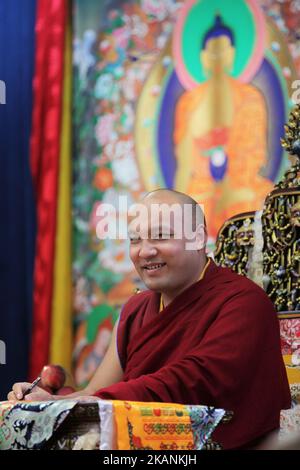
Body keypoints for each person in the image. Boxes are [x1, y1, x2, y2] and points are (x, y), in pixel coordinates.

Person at [8, 189, 290, 449]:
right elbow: (96, 392)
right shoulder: (135, 309)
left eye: (160, 237)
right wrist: (48, 403)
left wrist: (85, 402)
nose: (144, 251)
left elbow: (191, 381)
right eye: (135, 240)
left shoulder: (243, 302)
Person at [174, 15, 273, 238]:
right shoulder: (189, 103)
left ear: (233, 54)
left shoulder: (250, 97)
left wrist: (231, 187)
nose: (218, 57)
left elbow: (255, 152)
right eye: (212, 51)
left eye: (224, 50)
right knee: (184, 215)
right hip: (201, 190)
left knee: (261, 203)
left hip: (241, 184)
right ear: (203, 57)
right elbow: (184, 161)